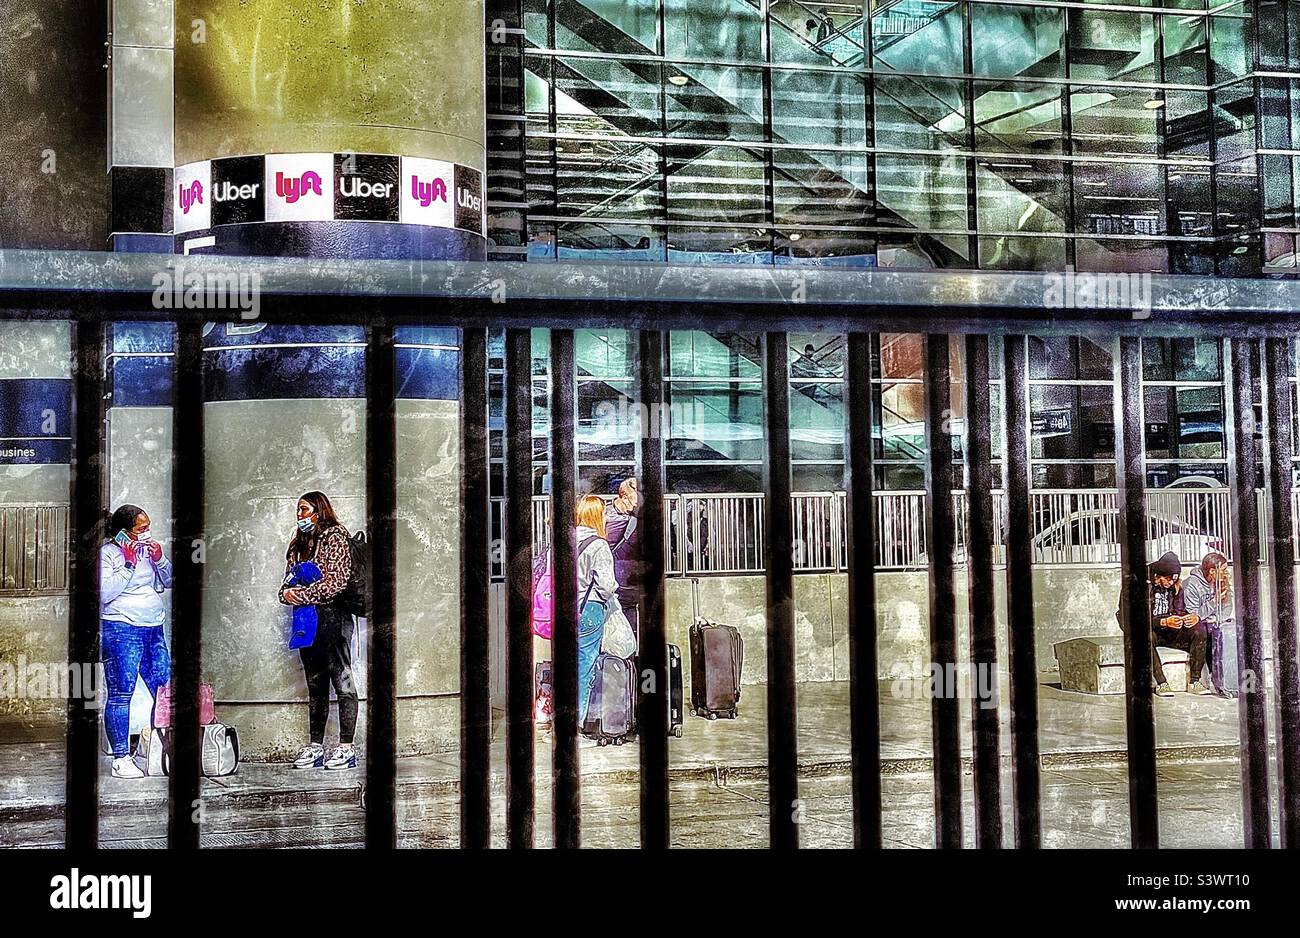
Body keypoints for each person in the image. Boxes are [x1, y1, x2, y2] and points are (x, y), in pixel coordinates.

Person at [279, 491, 359, 770]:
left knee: (342, 681)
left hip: (333, 618)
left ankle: (346, 748)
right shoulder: (298, 543)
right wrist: (288, 594)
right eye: (298, 510)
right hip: (306, 622)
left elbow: (334, 584)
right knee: (315, 684)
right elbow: (285, 586)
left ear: (319, 510)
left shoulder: (335, 536)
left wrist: (298, 595)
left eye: (304, 509)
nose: (299, 515)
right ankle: (316, 746)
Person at [100, 504, 173, 779]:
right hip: (121, 627)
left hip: (153, 626)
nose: (147, 533)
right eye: (141, 529)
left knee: (164, 688)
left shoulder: (148, 551)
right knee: (121, 692)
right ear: (123, 533)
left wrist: (160, 559)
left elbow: (168, 579)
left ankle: (159, 746)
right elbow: (106, 593)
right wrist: (129, 563)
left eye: (148, 527)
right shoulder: (107, 554)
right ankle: (121, 757)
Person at [1117, 551, 1210, 698]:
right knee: (1145, 636)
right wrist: (1163, 621)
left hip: (1168, 631)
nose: (1171, 583)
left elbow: (1179, 609)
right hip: (1145, 629)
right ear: (1157, 575)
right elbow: (1132, 619)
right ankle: (1161, 683)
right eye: (1168, 579)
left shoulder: (1175, 586)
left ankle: (1194, 681)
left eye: (1174, 580)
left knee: (1199, 629)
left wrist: (1185, 618)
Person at [576, 494, 627, 727]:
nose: (607, 517)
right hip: (588, 609)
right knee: (585, 667)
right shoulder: (598, 545)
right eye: (604, 513)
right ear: (596, 516)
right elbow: (606, 585)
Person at [1182, 552, 1238, 698]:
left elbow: (1227, 608)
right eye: (1223, 569)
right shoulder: (1191, 584)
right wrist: (1214, 601)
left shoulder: (1221, 581)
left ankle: (1231, 680)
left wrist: (1216, 618)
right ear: (1212, 571)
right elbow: (1193, 614)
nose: (1226, 573)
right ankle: (1216, 680)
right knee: (1207, 631)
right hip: (1194, 628)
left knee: (1227, 632)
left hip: (1213, 622)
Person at [604, 478, 642, 637]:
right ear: (624, 497)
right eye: (635, 500)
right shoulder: (608, 517)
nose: (637, 505)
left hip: (624, 587)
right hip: (612, 585)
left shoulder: (605, 514)